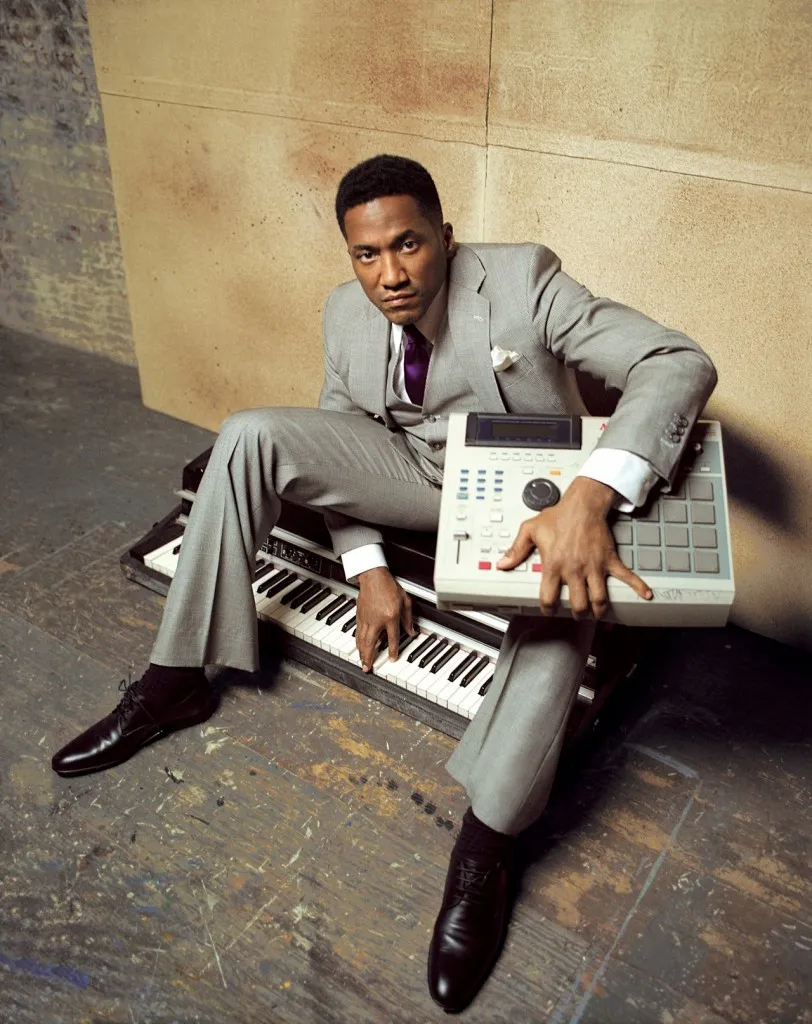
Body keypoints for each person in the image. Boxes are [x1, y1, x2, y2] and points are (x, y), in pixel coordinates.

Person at [51, 154, 716, 1013]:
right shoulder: (345, 312)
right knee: (249, 434)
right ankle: (173, 684)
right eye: (367, 254)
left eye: (408, 245)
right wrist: (366, 566)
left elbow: (676, 361)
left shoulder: (523, 281)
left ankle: (487, 846)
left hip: (527, 491)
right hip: (412, 474)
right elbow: (338, 434)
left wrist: (589, 498)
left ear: (445, 237)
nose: (390, 275)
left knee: (565, 601)